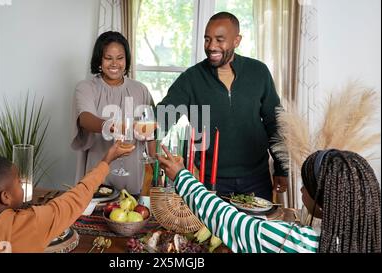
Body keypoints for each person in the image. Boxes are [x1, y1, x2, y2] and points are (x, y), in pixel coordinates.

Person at [157, 12, 287, 200]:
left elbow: (275, 122)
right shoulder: (192, 78)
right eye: (207, 40)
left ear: (237, 40)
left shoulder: (259, 72)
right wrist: (138, 124)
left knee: (255, 229)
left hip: (257, 179)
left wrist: (281, 168)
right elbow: (164, 114)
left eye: (219, 40)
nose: (211, 46)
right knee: (211, 231)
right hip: (210, 181)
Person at [158, 145, 381, 253]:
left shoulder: (296, 243)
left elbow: (227, 220)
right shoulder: (370, 238)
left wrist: (181, 175)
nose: (301, 190)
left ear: (324, 202)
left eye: (306, 186)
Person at [0, 142, 134, 253]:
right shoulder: (28, 223)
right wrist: (106, 161)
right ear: (5, 197)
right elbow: (74, 200)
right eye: (19, 182)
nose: (22, 185)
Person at [71, 31, 155, 195]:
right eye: (108, 58)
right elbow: (85, 119)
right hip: (97, 175)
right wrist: (115, 126)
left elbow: (151, 130)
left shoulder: (140, 89)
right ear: (99, 60)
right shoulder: (86, 87)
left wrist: (154, 165)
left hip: (134, 177)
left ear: (127, 59)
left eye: (120, 58)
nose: (115, 63)